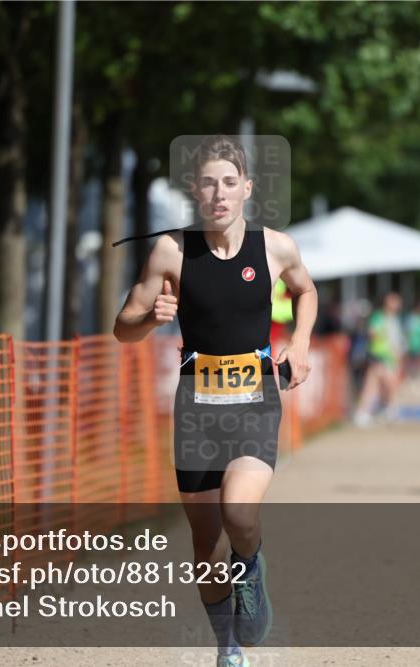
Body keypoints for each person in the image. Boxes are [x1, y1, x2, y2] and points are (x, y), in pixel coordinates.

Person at [113, 135, 317, 667]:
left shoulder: (275, 246)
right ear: (195, 191)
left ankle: (251, 567)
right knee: (206, 550)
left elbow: (306, 290)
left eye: (230, 182)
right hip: (196, 412)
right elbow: (122, 329)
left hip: (254, 402)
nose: (219, 193)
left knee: (239, 512)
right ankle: (227, 647)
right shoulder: (170, 251)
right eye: (209, 183)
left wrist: (298, 341)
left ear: (247, 189)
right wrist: (148, 319)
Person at [353, 291, 404, 427]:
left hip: (390, 357)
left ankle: (382, 409)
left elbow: (397, 341)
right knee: (379, 384)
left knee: (382, 384)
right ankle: (374, 411)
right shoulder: (379, 317)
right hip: (379, 355)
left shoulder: (394, 319)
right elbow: (372, 334)